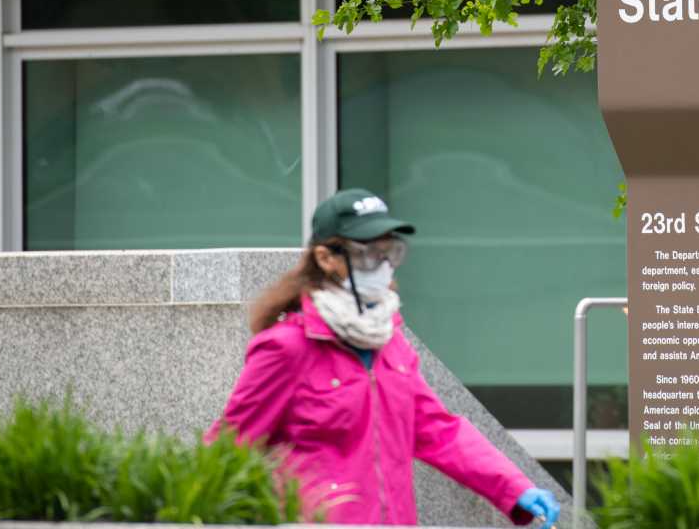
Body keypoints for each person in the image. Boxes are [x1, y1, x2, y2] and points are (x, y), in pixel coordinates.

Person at [207, 188, 562, 528]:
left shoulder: (389, 344)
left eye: (388, 251)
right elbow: (229, 448)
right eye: (365, 252)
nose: (380, 265)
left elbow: (438, 430)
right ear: (326, 258)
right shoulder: (287, 347)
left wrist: (515, 487)